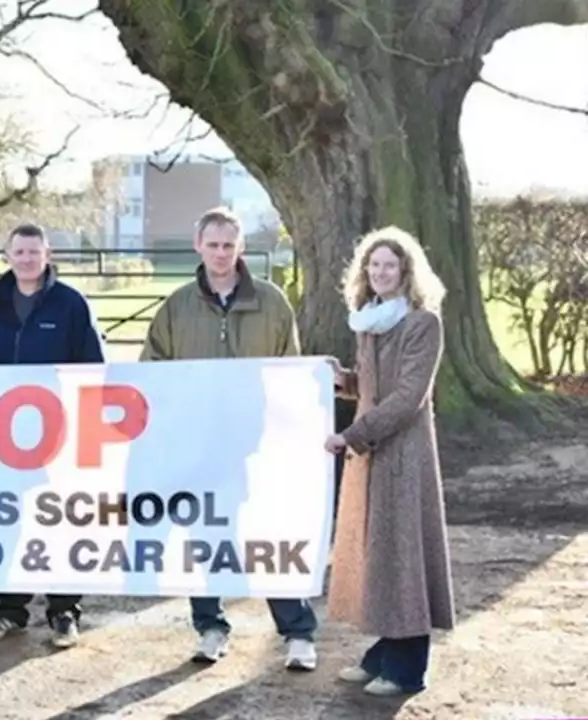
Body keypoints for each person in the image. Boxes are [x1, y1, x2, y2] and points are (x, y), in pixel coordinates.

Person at [138, 206, 319, 671]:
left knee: (268, 534)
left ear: (240, 249)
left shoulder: (272, 302)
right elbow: (152, 371)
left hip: (257, 445)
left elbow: (289, 371)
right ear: (198, 246)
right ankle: (210, 627)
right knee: (207, 535)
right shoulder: (177, 306)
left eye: (228, 245)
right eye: (212, 245)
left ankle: (298, 633)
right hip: (196, 447)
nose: (220, 254)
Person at [324, 226, 455, 696]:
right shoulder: (371, 320)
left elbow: (408, 397)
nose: (380, 272)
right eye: (373, 264)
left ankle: (407, 667)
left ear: (406, 272)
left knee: (404, 556)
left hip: (404, 456)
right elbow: (376, 385)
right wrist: (345, 381)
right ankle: (383, 651)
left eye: (390, 265)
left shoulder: (422, 323)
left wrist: (352, 436)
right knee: (379, 556)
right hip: (373, 456)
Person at [0, 222, 106, 649]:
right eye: (19, 252)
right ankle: (10, 608)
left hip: (59, 434)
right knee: (11, 519)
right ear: (7, 256)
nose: (26, 259)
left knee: (59, 519)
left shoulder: (71, 304)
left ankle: (64, 610)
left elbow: (93, 367)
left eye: (34, 252)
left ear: (47, 255)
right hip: (5, 438)